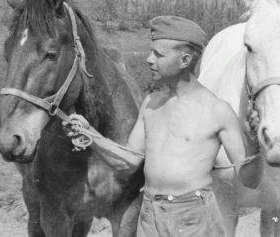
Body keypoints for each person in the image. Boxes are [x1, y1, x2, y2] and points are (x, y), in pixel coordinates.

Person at [63, 15, 262, 237]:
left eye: (158, 54)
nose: (149, 59)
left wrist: (255, 144)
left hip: (193, 221)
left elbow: (250, 180)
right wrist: (90, 135)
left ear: (185, 60)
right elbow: (129, 162)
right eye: (151, 51)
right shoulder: (151, 103)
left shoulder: (217, 111)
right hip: (150, 217)